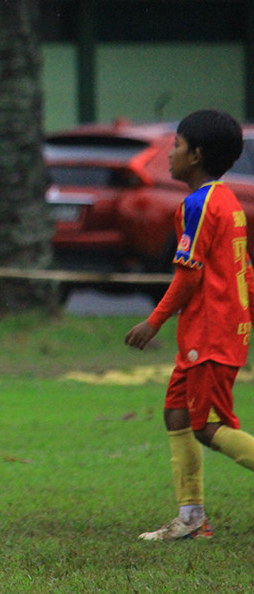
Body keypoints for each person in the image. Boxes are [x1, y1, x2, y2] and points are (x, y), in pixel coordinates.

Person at [125, 109, 254, 540]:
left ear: (195, 155)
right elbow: (244, 268)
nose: (169, 156)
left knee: (208, 427)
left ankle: (192, 518)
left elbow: (189, 274)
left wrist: (153, 321)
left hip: (212, 334)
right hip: (211, 331)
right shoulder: (228, 200)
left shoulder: (198, 205)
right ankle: (192, 518)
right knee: (176, 413)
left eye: (176, 147)